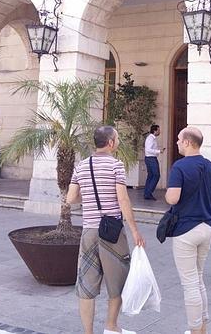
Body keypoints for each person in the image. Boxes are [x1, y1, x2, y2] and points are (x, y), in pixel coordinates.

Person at [67, 125, 145, 334]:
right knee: (117, 281)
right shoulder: (116, 166)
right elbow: (122, 199)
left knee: (86, 284)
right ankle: (111, 326)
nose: (118, 142)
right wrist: (135, 230)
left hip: (89, 231)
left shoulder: (81, 166)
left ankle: (88, 332)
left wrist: (91, 198)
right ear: (110, 143)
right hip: (112, 233)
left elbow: (71, 198)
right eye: (117, 139)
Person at [165, 127, 211, 334]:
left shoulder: (180, 167)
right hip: (206, 227)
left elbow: (173, 198)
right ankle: (202, 328)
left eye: (179, 139)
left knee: (189, 284)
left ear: (188, 142)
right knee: (198, 279)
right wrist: (208, 217)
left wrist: (167, 196)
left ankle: (195, 329)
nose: (177, 142)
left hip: (186, 230)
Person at [144, 124, 165, 200]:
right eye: (158, 130)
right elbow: (148, 149)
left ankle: (147, 193)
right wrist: (159, 151)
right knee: (156, 175)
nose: (159, 132)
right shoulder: (150, 138)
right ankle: (149, 192)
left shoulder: (152, 138)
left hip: (150, 158)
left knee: (150, 176)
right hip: (151, 159)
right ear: (155, 131)